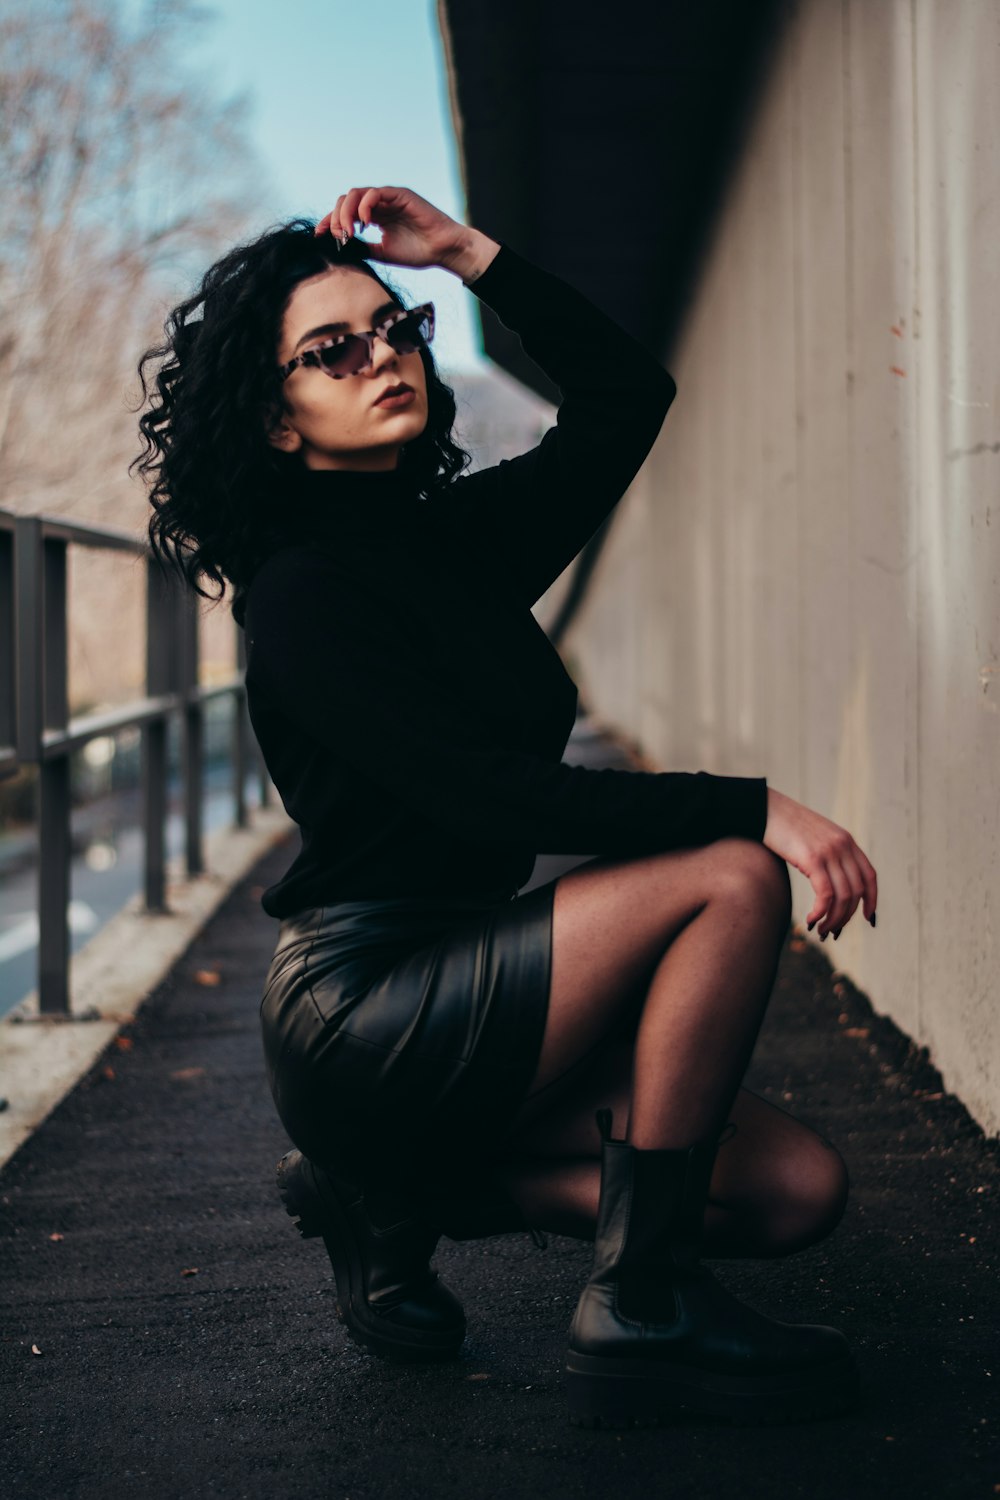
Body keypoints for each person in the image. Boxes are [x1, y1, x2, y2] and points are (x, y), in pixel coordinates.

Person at [133, 185, 877, 1430]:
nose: (381, 357)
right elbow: (490, 792)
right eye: (332, 350)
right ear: (274, 419)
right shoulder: (301, 597)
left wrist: (470, 257)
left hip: (484, 977)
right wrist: (759, 807)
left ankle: (409, 1197)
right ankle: (641, 1300)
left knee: (797, 1194)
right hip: (366, 1008)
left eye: (395, 328)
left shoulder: (451, 539)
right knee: (728, 871)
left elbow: (627, 398)